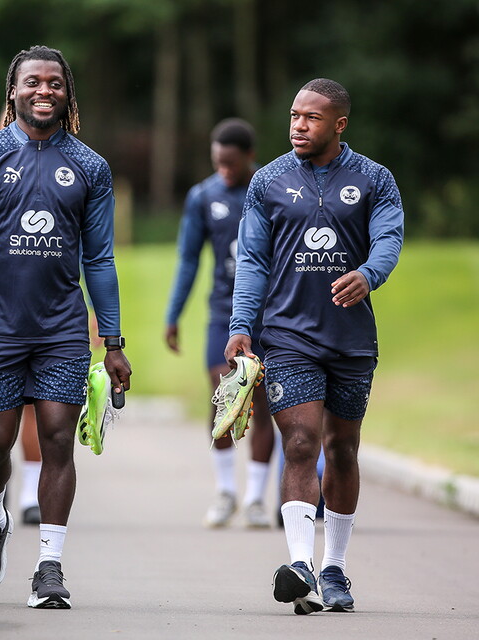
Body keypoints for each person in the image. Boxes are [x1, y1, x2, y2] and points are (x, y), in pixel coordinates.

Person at [0, 45, 132, 610]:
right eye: (32, 82)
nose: (43, 91)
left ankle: (49, 567)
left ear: (68, 94)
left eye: (54, 83)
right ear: (13, 91)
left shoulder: (90, 167)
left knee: (58, 442)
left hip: (62, 332)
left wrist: (113, 342)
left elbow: (100, 260)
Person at [225, 78, 403, 615]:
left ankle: (334, 568)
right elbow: (253, 259)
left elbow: (389, 238)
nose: (298, 126)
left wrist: (369, 274)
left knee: (342, 449)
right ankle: (300, 564)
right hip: (288, 337)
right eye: (294, 116)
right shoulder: (268, 181)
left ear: (339, 124)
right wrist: (241, 324)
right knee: (301, 442)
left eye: (312, 118)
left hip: (351, 341)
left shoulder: (375, 179)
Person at [164, 118, 276, 529]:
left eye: (232, 163)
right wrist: (173, 313)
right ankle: (226, 491)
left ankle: (256, 499)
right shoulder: (203, 196)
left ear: (250, 156)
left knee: (262, 400)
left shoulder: (272, 190)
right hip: (223, 312)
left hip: (270, 313)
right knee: (224, 398)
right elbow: (188, 259)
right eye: (218, 163)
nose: (224, 171)